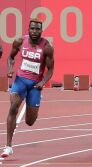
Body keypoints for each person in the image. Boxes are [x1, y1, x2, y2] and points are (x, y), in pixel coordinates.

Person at [1, 18, 54, 158]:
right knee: (13, 108)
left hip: (35, 86)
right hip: (20, 81)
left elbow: (50, 69)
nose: (34, 31)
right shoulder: (20, 41)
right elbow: (10, 57)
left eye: (37, 29)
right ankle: (8, 146)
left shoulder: (47, 47)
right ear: (28, 29)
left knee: (30, 122)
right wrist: (11, 68)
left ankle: (34, 102)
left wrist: (43, 82)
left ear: (41, 31)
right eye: (32, 29)